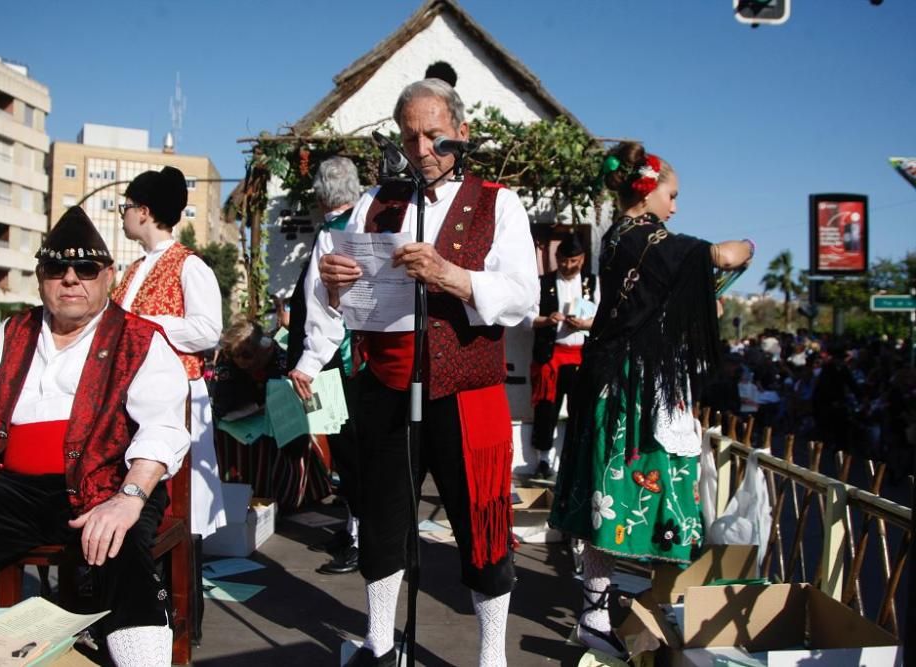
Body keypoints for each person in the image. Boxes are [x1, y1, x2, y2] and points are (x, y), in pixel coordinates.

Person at [294, 78, 536, 667]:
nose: (421, 149)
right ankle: (380, 642)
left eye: (433, 135)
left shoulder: (498, 202)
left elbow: (523, 295)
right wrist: (332, 287)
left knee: (481, 521)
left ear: (462, 132)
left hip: (468, 389)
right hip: (386, 385)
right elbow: (328, 300)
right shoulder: (376, 201)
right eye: (409, 137)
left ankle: (490, 656)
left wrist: (452, 275)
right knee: (381, 516)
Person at [0, 207, 190, 667]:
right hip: (18, 490)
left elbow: (162, 427)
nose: (70, 279)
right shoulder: (11, 334)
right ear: (40, 277)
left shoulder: (140, 339)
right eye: (55, 269)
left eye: (85, 268)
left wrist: (128, 498)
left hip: (107, 483)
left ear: (107, 276)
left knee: (121, 551)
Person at [548, 142, 754, 656]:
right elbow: (725, 255)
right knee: (627, 499)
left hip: (613, 378)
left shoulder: (619, 237)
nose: (676, 207)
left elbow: (653, 302)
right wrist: (748, 245)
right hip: (634, 388)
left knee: (607, 501)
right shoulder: (649, 238)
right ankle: (614, 610)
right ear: (649, 190)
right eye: (674, 195)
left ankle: (598, 608)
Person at [112, 165, 227, 540]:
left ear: (143, 211)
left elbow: (208, 329)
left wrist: (147, 324)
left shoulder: (189, 265)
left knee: (180, 491)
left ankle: (180, 577)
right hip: (133, 393)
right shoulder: (133, 269)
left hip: (178, 394)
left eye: (125, 206)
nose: (123, 214)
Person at [287, 156, 363, 575]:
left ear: (320, 194)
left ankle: (360, 536)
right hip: (345, 360)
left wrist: (307, 363)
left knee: (349, 451)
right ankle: (353, 527)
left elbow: (323, 308)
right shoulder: (355, 226)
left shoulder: (336, 233)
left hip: (337, 360)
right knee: (347, 448)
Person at [528, 233, 596, 479]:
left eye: (574, 261)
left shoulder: (593, 283)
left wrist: (585, 324)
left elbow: (601, 319)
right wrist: (547, 320)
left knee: (581, 411)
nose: (568, 266)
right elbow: (527, 318)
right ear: (557, 258)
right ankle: (543, 460)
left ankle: (576, 460)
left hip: (581, 358)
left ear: (583, 259)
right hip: (551, 357)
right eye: (564, 261)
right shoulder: (542, 282)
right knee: (546, 410)